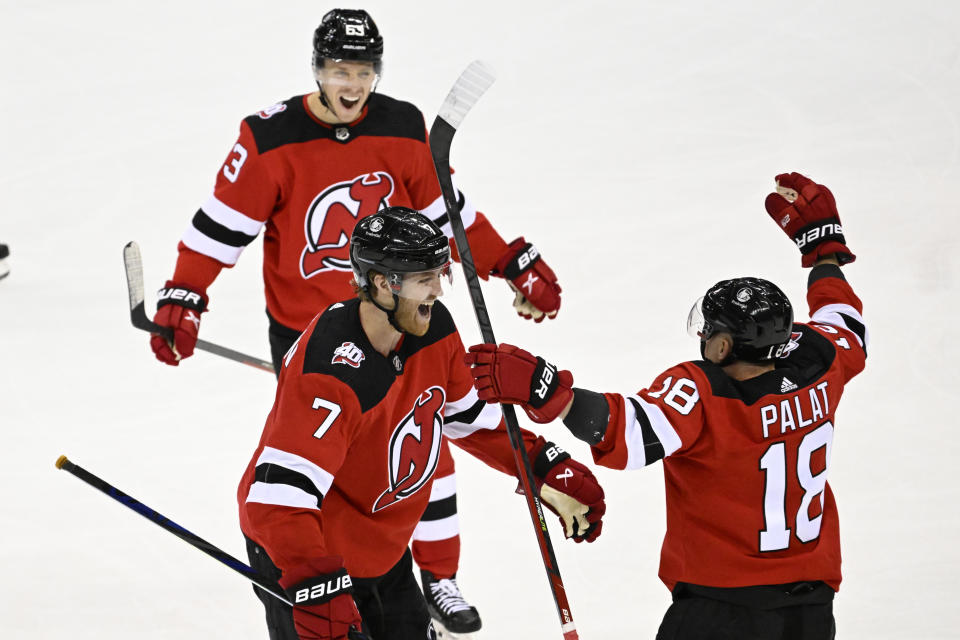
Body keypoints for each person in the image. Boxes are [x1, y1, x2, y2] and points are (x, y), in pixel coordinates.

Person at [149, 8, 564, 634]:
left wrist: (510, 260)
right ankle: (323, 572)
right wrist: (185, 292)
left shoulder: (402, 128)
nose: (353, 84)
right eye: (340, 69)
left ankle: (435, 577)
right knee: (334, 465)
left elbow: (442, 215)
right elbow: (222, 225)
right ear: (317, 69)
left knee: (420, 445)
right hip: (311, 339)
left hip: (401, 322)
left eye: (364, 71)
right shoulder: (270, 139)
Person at [465, 172, 867, 640]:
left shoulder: (702, 392)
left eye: (709, 330)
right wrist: (825, 250)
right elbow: (844, 318)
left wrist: (548, 391)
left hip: (721, 610)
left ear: (721, 348)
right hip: (811, 611)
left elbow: (629, 432)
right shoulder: (821, 359)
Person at [237, 207, 605, 640]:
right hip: (307, 555)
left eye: (440, 273)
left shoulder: (432, 330)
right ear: (381, 283)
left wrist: (540, 464)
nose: (437, 290)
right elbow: (279, 497)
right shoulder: (330, 370)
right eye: (423, 278)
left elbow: (469, 419)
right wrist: (313, 582)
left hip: (383, 552)